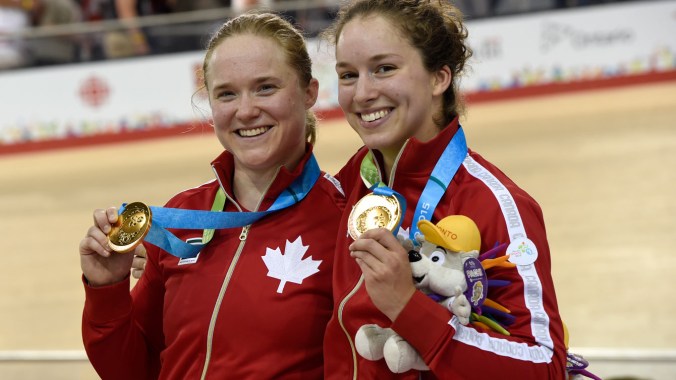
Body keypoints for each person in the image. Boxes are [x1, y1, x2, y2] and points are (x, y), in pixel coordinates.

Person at [79, 11, 345, 379]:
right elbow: (130, 369)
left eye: (266, 87)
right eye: (227, 94)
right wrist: (106, 290)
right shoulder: (182, 216)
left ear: (309, 92)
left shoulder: (343, 222)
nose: (246, 110)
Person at [321, 0, 568, 378]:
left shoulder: (494, 203)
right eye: (348, 75)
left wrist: (408, 308)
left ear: (439, 78)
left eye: (384, 69)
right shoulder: (348, 186)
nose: (362, 93)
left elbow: (544, 366)